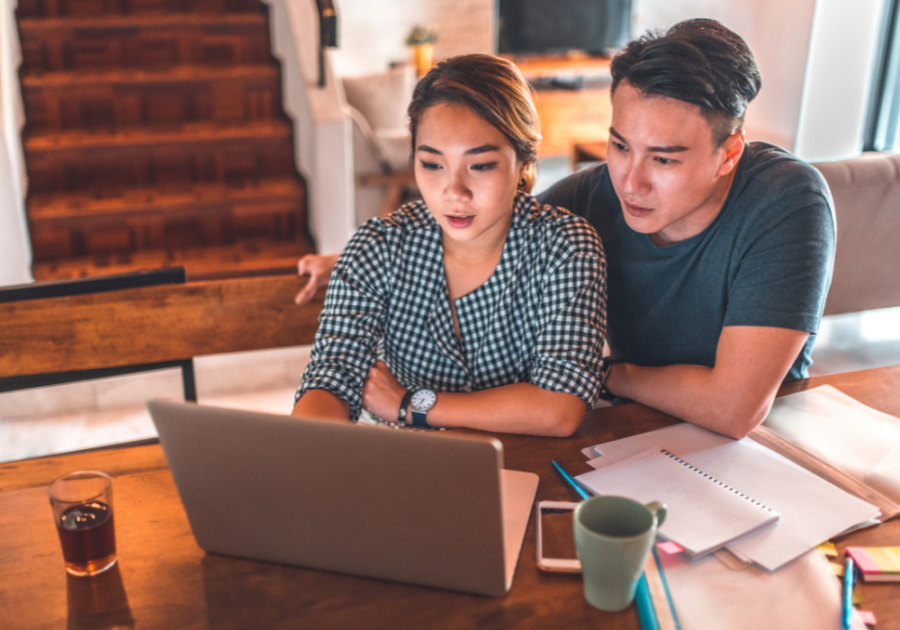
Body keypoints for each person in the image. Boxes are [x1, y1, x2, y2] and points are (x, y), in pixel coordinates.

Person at [295, 20, 836, 441]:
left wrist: (602, 375)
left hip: (760, 445)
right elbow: (483, 222)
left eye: (664, 160)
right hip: (628, 432)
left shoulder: (785, 200)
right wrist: (351, 258)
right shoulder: (592, 196)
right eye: (620, 145)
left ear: (728, 154)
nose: (631, 182)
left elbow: (733, 408)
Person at [292, 54, 607, 437]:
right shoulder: (377, 247)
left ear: (524, 161)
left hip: (530, 464)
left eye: (481, 165)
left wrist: (410, 405)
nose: (453, 192)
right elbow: (332, 377)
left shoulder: (566, 247)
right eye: (432, 164)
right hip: (413, 468)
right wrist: (303, 452)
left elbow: (559, 407)